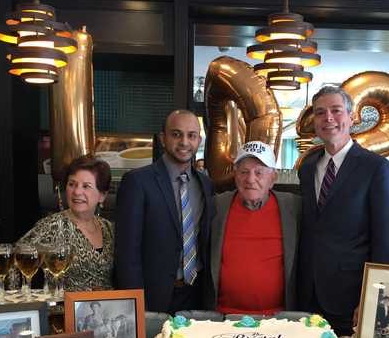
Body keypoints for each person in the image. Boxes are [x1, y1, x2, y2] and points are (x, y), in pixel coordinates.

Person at [297, 85, 389, 335]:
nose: (328, 118)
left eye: (336, 111)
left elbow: (385, 242)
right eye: (320, 113)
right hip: (306, 294)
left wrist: (372, 297)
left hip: (350, 296)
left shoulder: (377, 168)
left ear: (351, 117)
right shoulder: (308, 167)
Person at [114, 110, 214, 313]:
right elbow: (126, 254)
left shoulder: (205, 184)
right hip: (153, 298)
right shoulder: (137, 182)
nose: (184, 142)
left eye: (191, 135)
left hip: (196, 296)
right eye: (176, 134)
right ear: (163, 138)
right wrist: (135, 306)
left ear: (199, 140)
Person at [206, 141, 301, 315]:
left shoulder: (294, 207)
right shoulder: (217, 206)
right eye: (244, 172)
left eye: (259, 172)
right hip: (223, 317)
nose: (250, 179)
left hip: (278, 320)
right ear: (235, 176)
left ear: (273, 178)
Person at [17, 155, 114, 291]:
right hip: (62, 310)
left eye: (86, 186)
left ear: (102, 195)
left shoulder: (110, 229)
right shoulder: (52, 226)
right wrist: (20, 303)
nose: (77, 192)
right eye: (72, 184)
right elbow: (14, 261)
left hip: (107, 310)